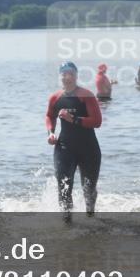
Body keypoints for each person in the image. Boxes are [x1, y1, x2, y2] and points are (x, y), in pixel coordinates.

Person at [45, 62, 103, 221]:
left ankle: (91, 216)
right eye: (63, 73)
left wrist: (74, 119)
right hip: (64, 148)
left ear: (76, 76)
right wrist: (51, 133)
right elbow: (50, 116)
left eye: (70, 73)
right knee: (64, 187)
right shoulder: (55, 98)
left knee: (89, 188)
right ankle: (67, 224)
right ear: (60, 76)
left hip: (88, 148)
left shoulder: (87, 95)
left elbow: (97, 121)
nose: (67, 76)